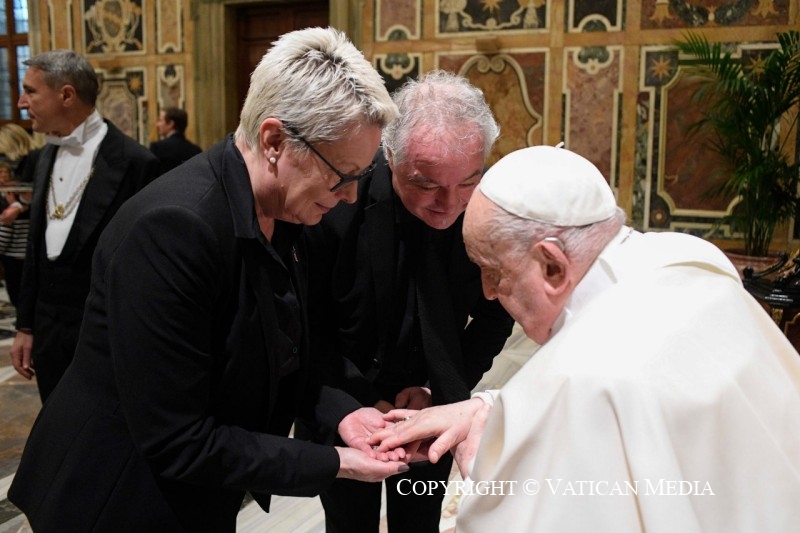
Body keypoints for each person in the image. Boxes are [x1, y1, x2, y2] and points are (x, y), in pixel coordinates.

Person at [8, 27, 407, 532]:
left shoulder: (288, 210)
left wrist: (343, 414)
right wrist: (335, 463)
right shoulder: (173, 229)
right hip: (116, 495)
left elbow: (284, 350)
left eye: (361, 178)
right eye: (342, 175)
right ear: (274, 141)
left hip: (197, 487)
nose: (350, 196)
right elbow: (176, 438)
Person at [370, 145, 800, 532]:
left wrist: (486, 468)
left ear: (553, 267)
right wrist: (484, 410)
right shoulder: (691, 259)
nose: (487, 292)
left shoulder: (586, 374)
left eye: (493, 271)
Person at [298, 70, 514, 532]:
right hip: (344, 403)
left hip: (433, 409)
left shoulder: (489, 208)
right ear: (390, 156)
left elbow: (496, 316)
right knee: (348, 524)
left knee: (419, 521)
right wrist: (355, 404)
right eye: (426, 184)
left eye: (467, 182)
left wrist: (439, 391)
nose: (449, 205)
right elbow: (304, 326)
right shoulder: (336, 203)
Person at [9, 50, 161, 401]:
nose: (21, 103)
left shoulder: (136, 163)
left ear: (66, 95)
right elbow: (35, 248)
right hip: (48, 333)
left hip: (104, 335)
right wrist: (26, 325)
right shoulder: (45, 155)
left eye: (30, 91)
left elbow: (145, 266)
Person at [0, 123, 40, 310]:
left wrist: (17, 206)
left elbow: (35, 196)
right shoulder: (20, 165)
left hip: (25, 242)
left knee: (25, 297)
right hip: (15, 244)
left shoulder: (32, 161)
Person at [149, 106, 203, 174]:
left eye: (160, 120)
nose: (157, 125)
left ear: (170, 124)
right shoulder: (196, 150)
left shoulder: (158, 147)